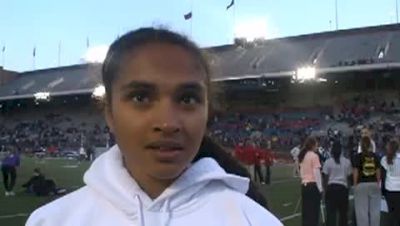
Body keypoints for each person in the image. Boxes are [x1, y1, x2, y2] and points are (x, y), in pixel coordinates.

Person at [26, 28, 282, 226]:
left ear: (207, 112)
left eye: (187, 99)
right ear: (109, 113)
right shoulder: (52, 221)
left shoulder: (253, 220)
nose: (168, 123)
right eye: (141, 97)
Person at [322, 141, 352, 226]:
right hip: (343, 189)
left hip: (331, 189)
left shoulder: (328, 162)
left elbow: (325, 178)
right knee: (343, 215)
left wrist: (325, 190)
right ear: (341, 150)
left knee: (331, 215)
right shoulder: (347, 162)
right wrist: (348, 189)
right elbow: (349, 178)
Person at [353, 136, 381, 226]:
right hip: (374, 184)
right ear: (370, 145)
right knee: (375, 212)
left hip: (361, 185)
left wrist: (355, 185)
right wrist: (378, 184)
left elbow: (355, 172)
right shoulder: (376, 156)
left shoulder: (357, 157)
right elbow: (378, 172)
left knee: (362, 213)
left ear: (361, 145)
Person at [299, 137, 322, 226]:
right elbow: (317, 173)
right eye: (316, 145)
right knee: (314, 212)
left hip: (304, 185)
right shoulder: (314, 156)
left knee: (306, 212)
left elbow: (301, 172)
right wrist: (320, 188)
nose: (317, 146)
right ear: (312, 145)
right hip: (313, 185)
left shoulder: (303, 156)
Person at [380, 139, 400, 226]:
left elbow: (383, 176)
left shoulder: (384, 159)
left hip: (389, 190)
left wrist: (382, 190)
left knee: (391, 213)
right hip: (399, 189)